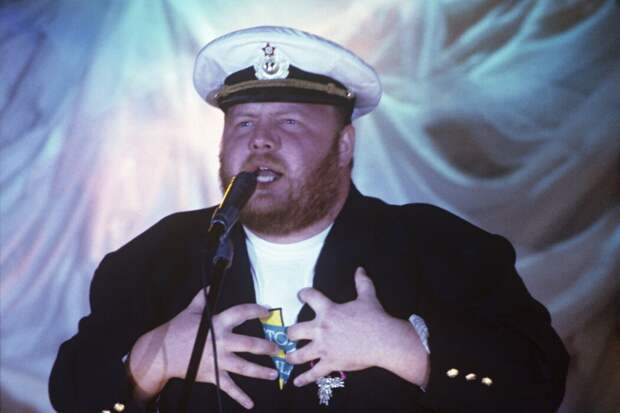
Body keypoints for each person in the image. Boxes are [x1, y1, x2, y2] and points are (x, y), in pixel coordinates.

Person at [49, 26, 569, 413]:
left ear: (344, 145)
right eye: (244, 123)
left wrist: (407, 349)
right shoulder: (152, 258)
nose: (261, 140)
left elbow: (538, 386)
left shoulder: (444, 247)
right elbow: (72, 396)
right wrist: (154, 359)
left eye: (290, 121)